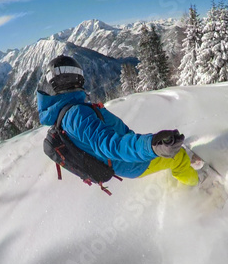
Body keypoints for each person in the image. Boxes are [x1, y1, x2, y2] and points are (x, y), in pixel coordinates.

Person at [37, 55, 200, 186]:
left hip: (123, 159)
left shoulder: (65, 111)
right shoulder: (77, 114)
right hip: (130, 161)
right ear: (75, 79)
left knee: (169, 152)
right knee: (178, 157)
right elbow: (110, 144)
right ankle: (197, 184)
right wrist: (151, 146)